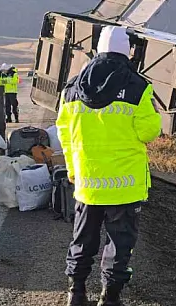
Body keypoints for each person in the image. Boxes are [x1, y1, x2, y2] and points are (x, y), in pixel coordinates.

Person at [55, 25, 161, 306]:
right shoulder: (138, 86)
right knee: (119, 244)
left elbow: (63, 132)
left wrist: (73, 169)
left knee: (82, 240)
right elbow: (148, 131)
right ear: (128, 51)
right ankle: (110, 298)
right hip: (125, 185)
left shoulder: (73, 86)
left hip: (88, 182)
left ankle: (75, 294)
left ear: (98, 49)